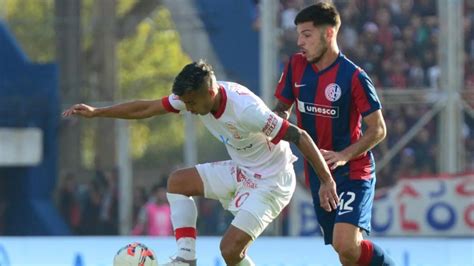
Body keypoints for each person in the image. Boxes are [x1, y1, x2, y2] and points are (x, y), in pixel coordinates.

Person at [62, 60, 338, 266]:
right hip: (242, 170)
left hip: (272, 181)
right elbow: (145, 108)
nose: (189, 109)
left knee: (229, 251)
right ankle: (186, 259)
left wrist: (326, 180)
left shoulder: (246, 111)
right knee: (178, 182)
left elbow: (299, 136)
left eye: (192, 103)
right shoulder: (193, 98)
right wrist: (98, 112)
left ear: (210, 92)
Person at [273, 3, 395, 266]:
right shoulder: (295, 65)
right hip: (318, 171)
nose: (299, 42)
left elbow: (379, 129)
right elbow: (282, 108)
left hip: (352, 169)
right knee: (346, 253)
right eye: (298, 35)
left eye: (307, 35)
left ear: (328, 34)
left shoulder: (353, 77)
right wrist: (273, 128)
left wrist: (343, 155)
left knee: (346, 243)